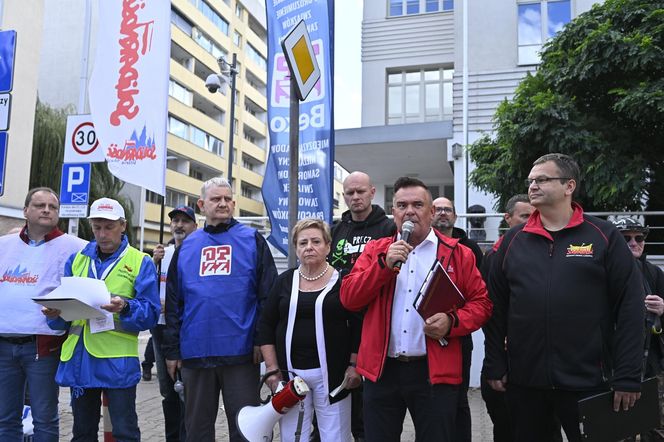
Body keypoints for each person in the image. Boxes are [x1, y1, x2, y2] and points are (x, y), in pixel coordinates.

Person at [483, 153, 644, 442]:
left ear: (569, 186)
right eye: (531, 180)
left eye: (542, 179)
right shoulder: (512, 241)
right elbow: (495, 308)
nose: (533, 186)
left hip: (590, 382)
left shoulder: (603, 236)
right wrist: (495, 362)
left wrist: (629, 375)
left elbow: (630, 309)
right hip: (526, 384)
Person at [340, 176, 492, 441]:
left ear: (431, 212)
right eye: (401, 205)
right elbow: (349, 298)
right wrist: (382, 267)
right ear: (393, 212)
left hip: (432, 372)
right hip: (382, 371)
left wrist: (452, 321)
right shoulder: (377, 250)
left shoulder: (458, 253)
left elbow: (482, 304)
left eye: (417, 204)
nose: (409, 211)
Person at [163, 177, 278, 442]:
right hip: (195, 352)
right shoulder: (186, 247)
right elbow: (174, 302)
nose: (223, 204)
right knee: (197, 431)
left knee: (247, 430)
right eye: (216, 199)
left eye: (228, 199)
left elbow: (267, 296)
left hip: (240, 353)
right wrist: (172, 350)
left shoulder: (252, 240)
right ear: (202, 205)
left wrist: (263, 340)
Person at [42, 197, 160, 441]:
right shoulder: (77, 260)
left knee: (124, 431)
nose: (102, 233)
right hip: (80, 359)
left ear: (123, 225)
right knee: (82, 432)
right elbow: (63, 318)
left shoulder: (140, 261)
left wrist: (125, 306)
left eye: (109, 227)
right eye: (97, 227)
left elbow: (150, 313)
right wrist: (56, 314)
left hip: (117, 361)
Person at [257, 218, 362, 441]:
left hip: (334, 378)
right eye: (302, 243)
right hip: (290, 377)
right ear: (295, 249)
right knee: (294, 436)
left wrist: (354, 365)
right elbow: (265, 324)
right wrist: (272, 369)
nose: (309, 247)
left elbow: (357, 326)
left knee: (335, 436)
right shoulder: (285, 281)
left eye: (316, 241)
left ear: (328, 246)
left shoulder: (343, 280)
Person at [0, 187, 86, 441]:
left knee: (45, 419)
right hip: (3, 345)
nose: (47, 210)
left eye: (53, 207)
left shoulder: (76, 247)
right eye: (40, 205)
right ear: (26, 211)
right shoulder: (3, 245)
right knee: (5, 419)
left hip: (43, 347)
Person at [479, 194, 563, 442]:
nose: (532, 221)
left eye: (535, 215)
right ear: (508, 218)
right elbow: (489, 313)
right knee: (507, 429)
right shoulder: (495, 257)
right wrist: (497, 362)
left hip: (547, 367)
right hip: (506, 362)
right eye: (525, 216)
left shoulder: (551, 251)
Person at [328, 171, 395, 442]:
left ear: (372, 192)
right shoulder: (336, 230)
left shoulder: (388, 229)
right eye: (349, 193)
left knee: (373, 405)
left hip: (375, 322)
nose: (355, 197)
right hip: (340, 322)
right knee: (343, 396)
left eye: (360, 192)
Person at [432, 196, 483, 442]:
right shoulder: (423, 245)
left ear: (455, 216)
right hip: (427, 338)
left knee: (459, 399)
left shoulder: (469, 248)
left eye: (447, 210)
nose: (442, 213)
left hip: (458, 333)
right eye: (438, 209)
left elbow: (480, 295)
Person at [613, 217, 664, 442]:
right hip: (614, 364)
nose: (634, 243)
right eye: (626, 238)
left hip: (652, 364)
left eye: (639, 238)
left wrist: (663, 309)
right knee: (615, 428)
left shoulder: (654, 273)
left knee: (655, 427)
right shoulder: (602, 272)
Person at [150, 205, 198, 442]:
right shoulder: (163, 254)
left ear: (195, 226)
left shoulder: (200, 252)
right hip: (161, 329)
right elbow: (146, 289)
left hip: (187, 330)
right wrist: (153, 263)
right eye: (175, 221)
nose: (179, 225)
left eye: (185, 221)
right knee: (168, 391)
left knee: (189, 392)